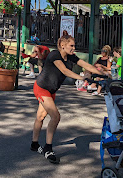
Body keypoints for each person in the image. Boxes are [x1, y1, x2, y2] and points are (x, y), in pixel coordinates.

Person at [31, 35, 104, 163]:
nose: (74, 48)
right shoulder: (54, 55)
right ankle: (48, 148)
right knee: (55, 116)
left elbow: (87, 65)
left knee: (41, 116)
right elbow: (64, 71)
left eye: (74, 45)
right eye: (72, 45)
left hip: (51, 90)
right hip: (41, 88)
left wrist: (105, 74)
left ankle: (34, 144)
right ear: (62, 45)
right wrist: (82, 78)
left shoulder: (71, 57)